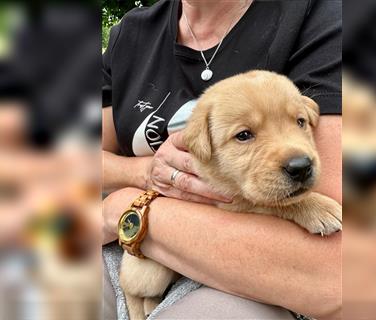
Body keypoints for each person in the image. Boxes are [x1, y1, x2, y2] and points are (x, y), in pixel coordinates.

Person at [102, 0, 342, 319]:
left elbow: (334, 270)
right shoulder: (132, 33)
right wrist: (144, 173)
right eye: (245, 134)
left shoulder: (320, 16)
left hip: (253, 273)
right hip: (129, 250)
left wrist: (128, 207)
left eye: (298, 122)